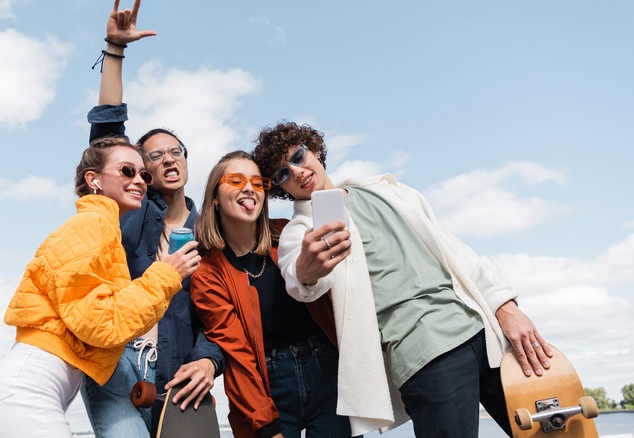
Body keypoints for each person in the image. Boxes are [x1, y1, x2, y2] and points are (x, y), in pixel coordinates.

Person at [252, 122, 554, 437]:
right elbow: (299, 283)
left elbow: (456, 251)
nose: (296, 171)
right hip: (425, 354)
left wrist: (506, 307)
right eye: (283, 174)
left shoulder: (389, 191)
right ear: (279, 188)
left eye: (298, 157)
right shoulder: (300, 231)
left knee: (552, 431)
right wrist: (309, 267)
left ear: (314, 150)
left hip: (487, 333)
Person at [0, 136, 201, 438]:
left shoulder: (103, 228)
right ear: (93, 179)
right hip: (26, 395)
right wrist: (166, 275)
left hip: (27, 393)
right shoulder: (91, 225)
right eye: (126, 171)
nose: (140, 181)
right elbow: (99, 323)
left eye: (143, 174)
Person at [80, 2, 225, 437]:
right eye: (154, 155)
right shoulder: (132, 212)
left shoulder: (211, 235)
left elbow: (221, 318)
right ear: (143, 170)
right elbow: (108, 136)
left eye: (175, 150)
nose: (167, 158)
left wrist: (208, 360)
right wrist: (114, 51)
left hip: (180, 384)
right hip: (116, 366)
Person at [190, 151, 352, 438]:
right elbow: (237, 354)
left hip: (327, 368)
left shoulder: (289, 234)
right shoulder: (207, 273)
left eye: (257, 181)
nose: (249, 187)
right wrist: (266, 426)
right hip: (268, 383)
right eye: (236, 180)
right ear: (215, 196)